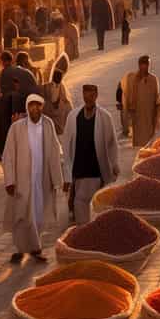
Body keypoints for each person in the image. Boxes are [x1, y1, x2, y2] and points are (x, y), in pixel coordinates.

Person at [2, 94, 64, 263]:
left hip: (42, 179)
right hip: (22, 180)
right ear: (27, 107)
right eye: (31, 105)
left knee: (37, 214)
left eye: (37, 105)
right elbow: (7, 155)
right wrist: (10, 180)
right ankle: (23, 249)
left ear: (42, 107)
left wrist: (58, 178)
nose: (34, 109)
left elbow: (54, 151)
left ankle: (35, 248)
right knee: (21, 214)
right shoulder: (17, 128)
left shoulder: (48, 124)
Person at [62, 84, 120, 223]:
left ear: (96, 95)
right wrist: (67, 175)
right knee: (79, 208)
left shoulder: (105, 117)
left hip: (97, 173)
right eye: (85, 95)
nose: (88, 98)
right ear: (83, 96)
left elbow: (112, 143)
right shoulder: (73, 117)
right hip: (79, 174)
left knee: (97, 211)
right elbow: (66, 146)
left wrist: (114, 164)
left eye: (91, 95)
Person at [122, 55, 160, 147]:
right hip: (137, 116)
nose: (146, 67)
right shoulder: (133, 79)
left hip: (150, 115)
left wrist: (158, 110)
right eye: (144, 65)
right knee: (138, 142)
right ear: (139, 65)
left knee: (150, 140)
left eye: (148, 64)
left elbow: (157, 96)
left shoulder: (153, 79)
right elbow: (127, 94)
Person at [41, 69, 73, 135]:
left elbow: (62, 97)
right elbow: (52, 98)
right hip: (49, 109)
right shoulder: (48, 86)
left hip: (56, 109)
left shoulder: (60, 86)